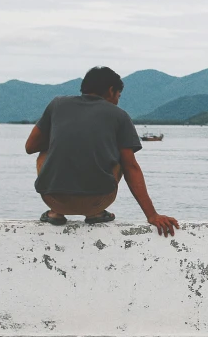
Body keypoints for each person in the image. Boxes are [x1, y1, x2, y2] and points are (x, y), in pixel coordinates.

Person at [25, 66, 179, 236]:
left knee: (45, 152)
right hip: (97, 201)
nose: (117, 101)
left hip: (54, 200)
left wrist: (63, 138)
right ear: (111, 90)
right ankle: (95, 214)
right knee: (122, 157)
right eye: (118, 96)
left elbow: (30, 147)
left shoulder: (57, 104)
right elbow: (131, 168)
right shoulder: (119, 115)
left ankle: (55, 213)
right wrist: (152, 215)